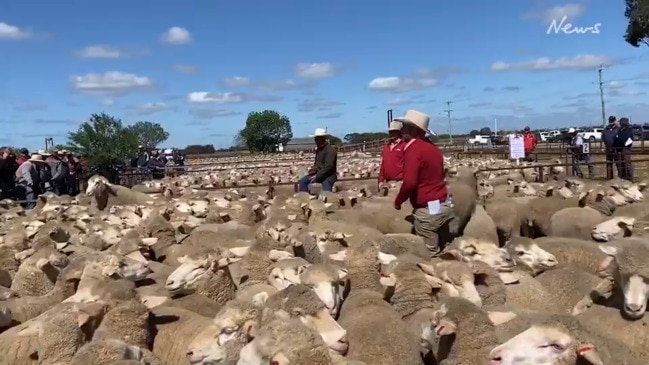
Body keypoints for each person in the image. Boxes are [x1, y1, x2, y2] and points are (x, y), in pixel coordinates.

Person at [392, 110, 453, 257]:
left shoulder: (414, 149)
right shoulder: (433, 148)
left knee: (427, 253)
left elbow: (410, 182)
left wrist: (398, 201)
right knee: (442, 241)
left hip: (426, 208)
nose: (401, 130)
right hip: (441, 203)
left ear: (412, 130)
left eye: (404, 126)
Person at [298, 128, 337, 193]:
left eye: (317, 138)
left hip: (328, 175)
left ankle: (327, 199)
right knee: (303, 181)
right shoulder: (319, 150)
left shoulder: (330, 150)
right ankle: (304, 198)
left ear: (322, 139)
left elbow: (329, 166)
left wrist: (317, 176)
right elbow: (317, 163)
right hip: (318, 174)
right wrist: (313, 170)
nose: (315, 140)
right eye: (315, 138)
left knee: (326, 188)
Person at [378, 121, 405, 189]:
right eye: (390, 132)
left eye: (394, 131)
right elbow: (383, 164)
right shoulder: (386, 147)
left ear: (399, 132)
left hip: (400, 182)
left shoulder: (404, 145)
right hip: (388, 182)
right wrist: (381, 180)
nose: (391, 133)